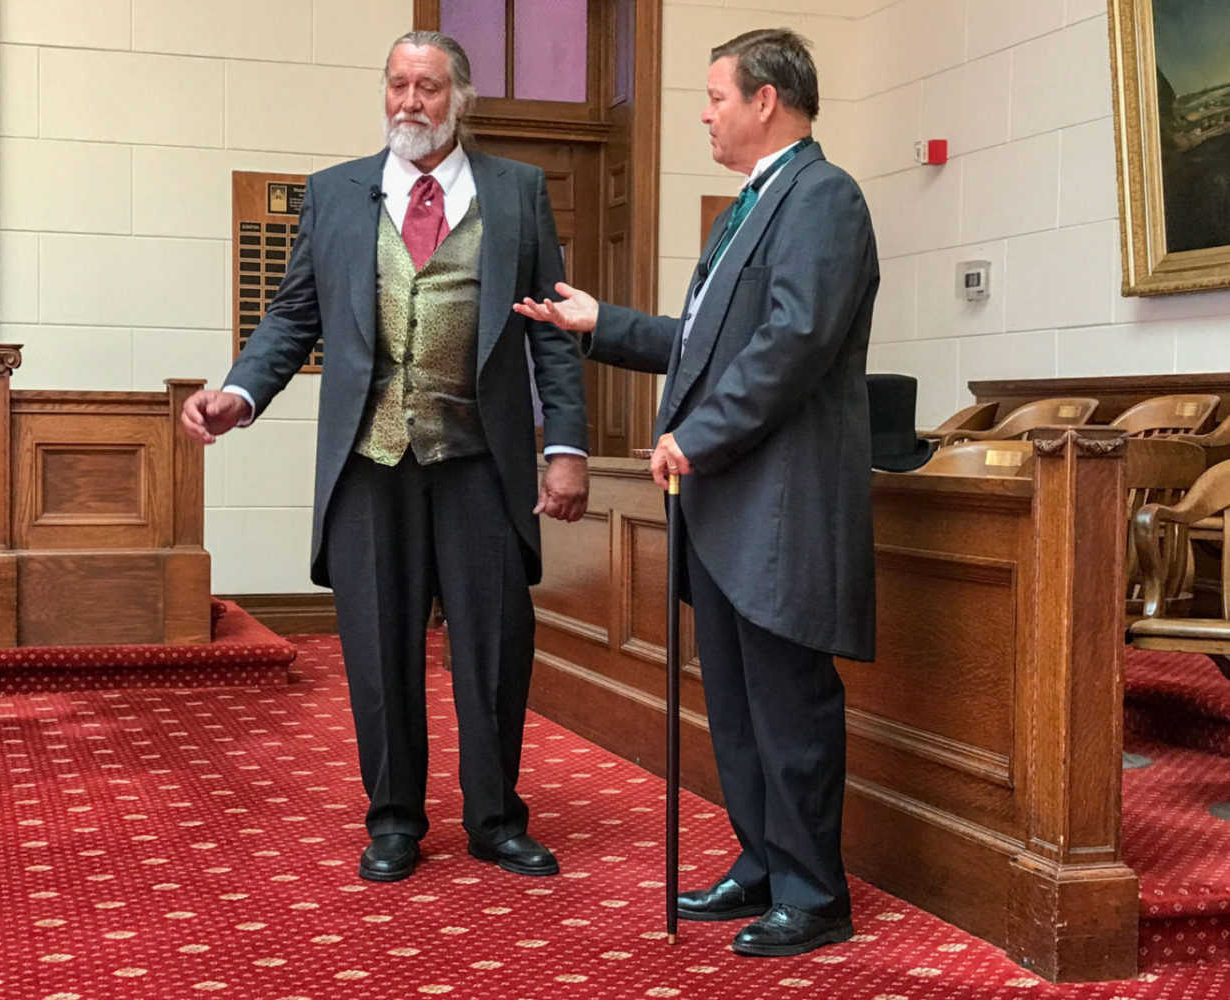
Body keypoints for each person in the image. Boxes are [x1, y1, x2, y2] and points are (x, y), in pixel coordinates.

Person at [182, 30, 589, 884]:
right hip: (371, 460)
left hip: (480, 459)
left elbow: (553, 335)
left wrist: (565, 445)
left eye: (429, 87)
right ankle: (395, 818)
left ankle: (494, 819)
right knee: (377, 646)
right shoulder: (334, 195)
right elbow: (295, 315)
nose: (410, 102)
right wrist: (240, 392)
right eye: (398, 85)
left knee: (492, 647)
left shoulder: (516, 192)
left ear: (460, 98)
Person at [514, 27, 877, 957]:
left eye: (716, 96)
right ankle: (761, 864)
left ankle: (814, 892)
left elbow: (791, 344)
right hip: (726, 507)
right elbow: (708, 341)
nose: (706, 113)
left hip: (780, 505)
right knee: (740, 705)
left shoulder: (822, 197)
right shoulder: (751, 205)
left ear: (767, 100)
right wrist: (604, 325)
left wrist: (694, 436)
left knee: (787, 704)